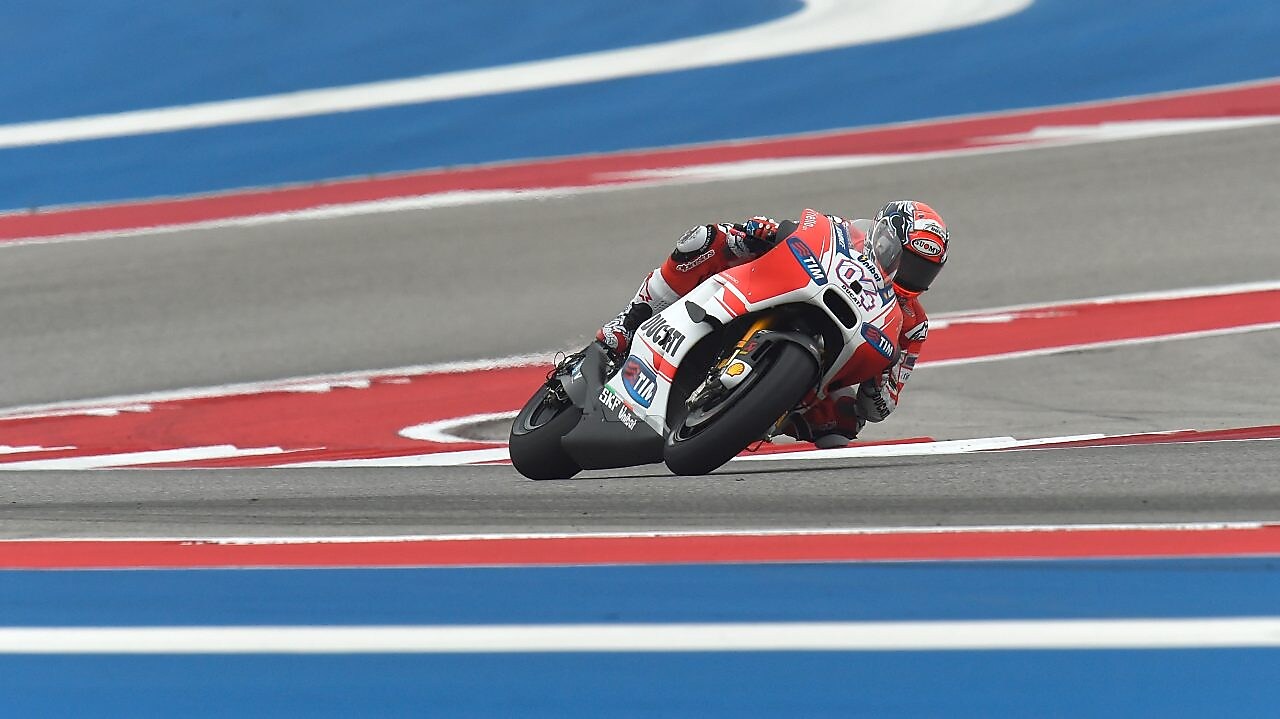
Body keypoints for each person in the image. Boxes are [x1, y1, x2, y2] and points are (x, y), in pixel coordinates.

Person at [594, 200, 949, 449]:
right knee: (702, 241)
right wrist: (765, 230)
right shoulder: (843, 232)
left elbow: (881, 404)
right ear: (886, 239)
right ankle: (629, 321)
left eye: (923, 271)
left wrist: (878, 384)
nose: (912, 277)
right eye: (909, 262)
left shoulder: (913, 325)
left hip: (827, 364)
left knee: (842, 421)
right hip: (776, 288)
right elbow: (797, 232)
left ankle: (761, 414)